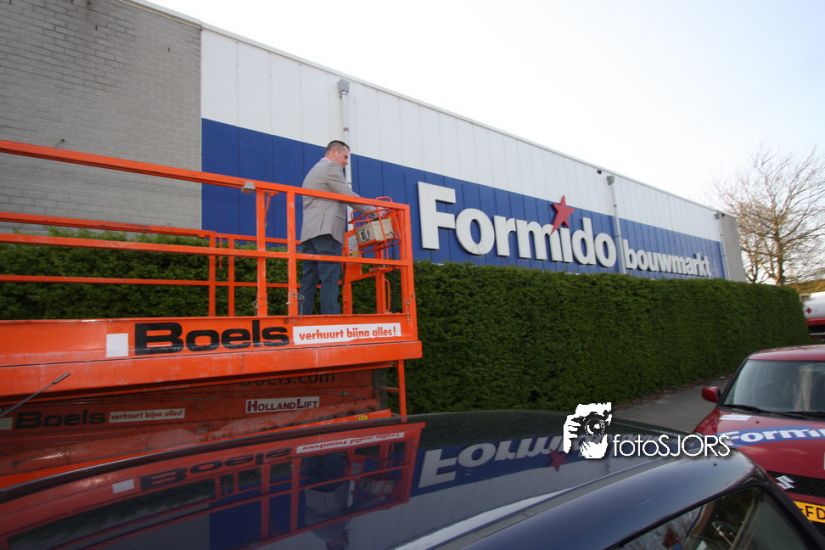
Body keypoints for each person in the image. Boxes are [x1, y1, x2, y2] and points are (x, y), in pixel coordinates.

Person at [299, 140, 373, 315]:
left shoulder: (313, 171)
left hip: (309, 233)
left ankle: (301, 316)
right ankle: (330, 319)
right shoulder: (331, 168)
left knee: (309, 278)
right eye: (345, 157)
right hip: (327, 231)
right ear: (334, 152)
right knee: (330, 277)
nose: (346, 162)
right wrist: (373, 210)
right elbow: (346, 194)